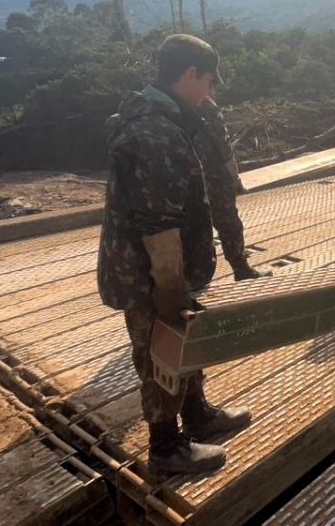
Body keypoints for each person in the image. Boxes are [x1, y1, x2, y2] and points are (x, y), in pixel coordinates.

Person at [97, 34, 251, 476]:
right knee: (160, 351)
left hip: (169, 268)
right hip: (152, 275)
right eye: (208, 80)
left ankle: (197, 414)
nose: (211, 90)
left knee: (185, 338)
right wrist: (170, 287)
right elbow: (157, 223)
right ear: (189, 74)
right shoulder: (155, 131)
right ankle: (166, 446)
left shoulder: (167, 119)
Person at [194, 97, 266, 280]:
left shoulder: (172, 105)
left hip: (186, 176)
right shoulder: (206, 105)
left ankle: (195, 278)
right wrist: (234, 177)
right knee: (228, 223)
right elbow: (222, 143)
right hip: (213, 174)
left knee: (196, 227)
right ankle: (241, 268)